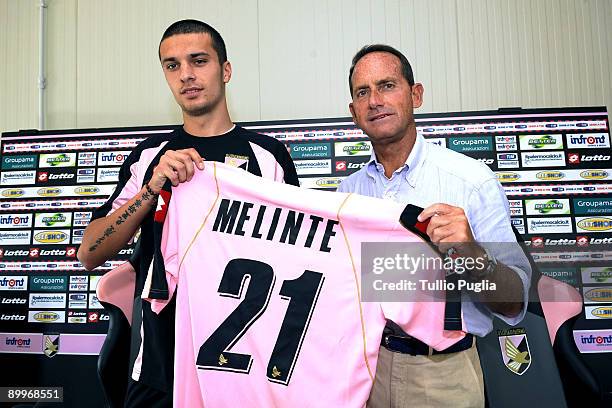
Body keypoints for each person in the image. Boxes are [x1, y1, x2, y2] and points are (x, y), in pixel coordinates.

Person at [77, 19, 298, 407]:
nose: (186, 75)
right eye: (172, 65)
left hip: (243, 366)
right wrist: (152, 188)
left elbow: (299, 259)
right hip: (159, 367)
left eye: (198, 60)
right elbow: (89, 252)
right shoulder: (150, 156)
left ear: (225, 70)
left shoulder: (268, 156)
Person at [337, 44, 531, 407]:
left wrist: (472, 255)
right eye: (363, 92)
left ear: (416, 94)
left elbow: (514, 300)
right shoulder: (348, 193)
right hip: (366, 372)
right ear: (353, 111)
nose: (375, 100)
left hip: (445, 373)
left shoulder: (471, 181)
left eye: (387, 85)